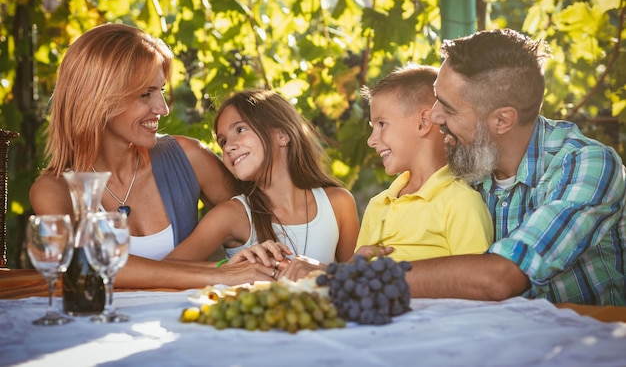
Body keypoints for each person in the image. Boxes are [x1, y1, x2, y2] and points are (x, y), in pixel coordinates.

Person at [29, 23, 273, 288]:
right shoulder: (54, 191)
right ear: (97, 99)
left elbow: (265, 219)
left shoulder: (187, 158)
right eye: (145, 94)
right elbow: (88, 265)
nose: (163, 109)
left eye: (162, 91)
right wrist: (217, 272)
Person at [415, 28, 625, 305]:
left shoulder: (588, 164)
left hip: (584, 339)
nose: (434, 115)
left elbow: (502, 277)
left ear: (502, 120)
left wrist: (375, 278)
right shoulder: (466, 160)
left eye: (448, 108)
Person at [163, 89, 360, 276]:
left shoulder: (338, 204)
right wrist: (225, 269)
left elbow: (359, 283)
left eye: (240, 129)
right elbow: (162, 272)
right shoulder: (233, 215)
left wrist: (321, 271)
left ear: (282, 135)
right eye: (222, 142)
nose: (229, 147)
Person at [354, 63, 493, 261]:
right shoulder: (378, 205)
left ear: (424, 123)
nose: (371, 140)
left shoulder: (460, 203)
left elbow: (474, 282)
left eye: (382, 124)